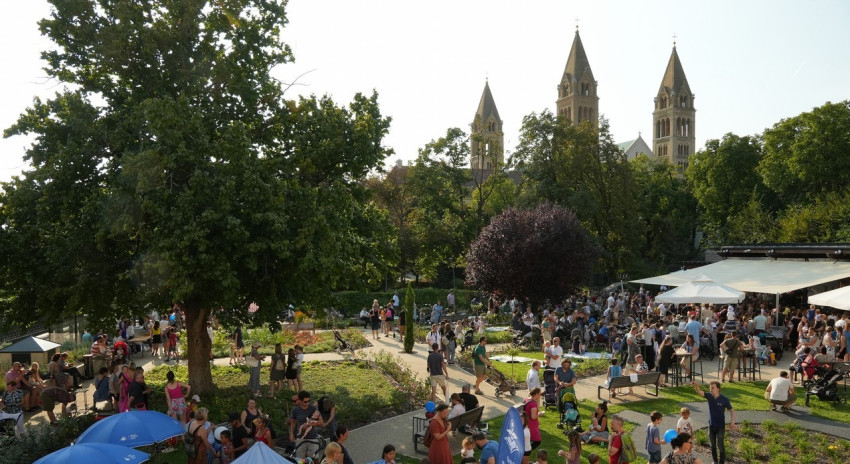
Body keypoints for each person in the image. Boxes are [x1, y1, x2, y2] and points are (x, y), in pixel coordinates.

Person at [692, 381, 736, 464]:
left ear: (718, 389)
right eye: (710, 388)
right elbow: (699, 392)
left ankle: (721, 462)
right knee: (712, 445)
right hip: (711, 425)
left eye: (713, 388)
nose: (710, 389)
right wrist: (697, 386)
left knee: (720, 446)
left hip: (720, 427)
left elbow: (732, 411)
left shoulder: (724, 399)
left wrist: (732, 422)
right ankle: (715, 461)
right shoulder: (709, 396)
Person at [290, 390, 322, 459]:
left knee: (315, 458)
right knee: (299, 459)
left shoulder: (313, 408)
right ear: (300, 401)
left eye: (309, 401)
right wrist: (291, 434)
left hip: (313, 437)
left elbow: (321, 422)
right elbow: (293, 422)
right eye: (305, 401)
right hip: (300, 437)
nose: (307, 403)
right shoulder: (295, 410)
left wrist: (310, 424)